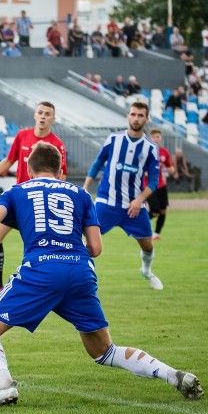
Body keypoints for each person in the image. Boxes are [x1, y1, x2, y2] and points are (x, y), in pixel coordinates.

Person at [0, 141, 203, 406]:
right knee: (104, 351)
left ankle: (4, 386)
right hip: (80, 271)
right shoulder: (80, 194)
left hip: (41, 270)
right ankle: (174, 375)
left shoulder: (16, 191)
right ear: (59, 171)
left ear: (28, 169)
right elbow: (95, 248)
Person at [0, 102, 67, 301]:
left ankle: (50, 286)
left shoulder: (56, 144)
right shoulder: (22, 136)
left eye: (47, 114)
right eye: (40, 112)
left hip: (40, 204)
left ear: (53, 119)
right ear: (35, 115)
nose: (43, 116)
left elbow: (62, 175)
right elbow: (8, 161)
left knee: (42, 245)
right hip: (20, 201)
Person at [83, 102, 163, 290]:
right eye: (133, 114)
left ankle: (146, 271)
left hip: (133, 207)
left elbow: (153, 181)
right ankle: (82, 279)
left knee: (148, 246)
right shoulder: (113, 139)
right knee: (87, 242)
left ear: (146, 118)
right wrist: (85, 187)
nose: (136, 118)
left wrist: (140, 200)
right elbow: (97, 163)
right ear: (128, 116)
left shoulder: (151, 147)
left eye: (140, 115)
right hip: (106, 202)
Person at [145, 129, 177, 241]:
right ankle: (138, 223)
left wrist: (173, 171)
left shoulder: (164, 152)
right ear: (149, 138)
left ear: (160, 138)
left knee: (163, 211)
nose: (155, 138)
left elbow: (169, 167)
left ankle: (156, 234)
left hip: (161, 185)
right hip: (148, 186)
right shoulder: (144, 152)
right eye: (153, 136)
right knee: (155, 211)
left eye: (157, 136)